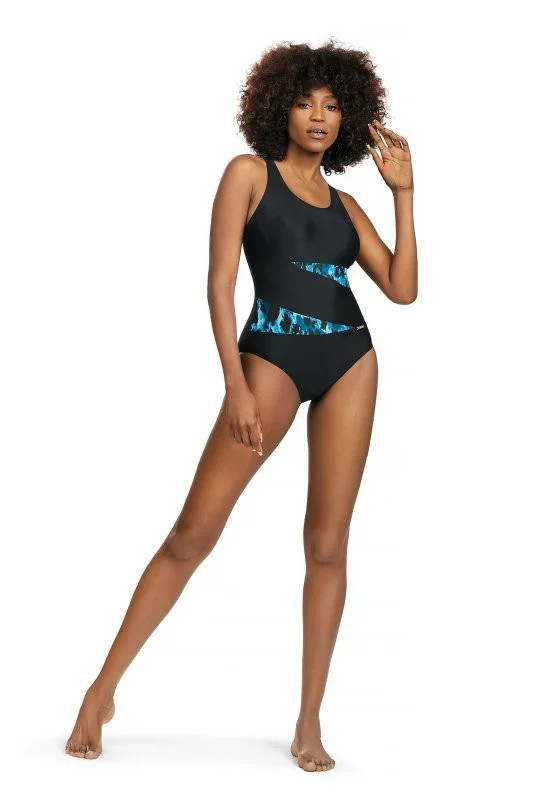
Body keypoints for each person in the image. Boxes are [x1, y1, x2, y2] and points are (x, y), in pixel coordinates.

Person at [65, 38, 417, 772]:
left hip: (351, 358)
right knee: (193, 532)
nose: (318, 116)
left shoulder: (349, 205)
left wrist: (404, 195)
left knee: (327, 545)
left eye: (332, 106)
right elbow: (219, 283)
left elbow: (402, 289)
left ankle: (308, 721)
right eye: (305, 102)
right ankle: (101, 691)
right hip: (269, 359)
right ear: (279, 107)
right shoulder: (248, 174)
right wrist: (234, 384)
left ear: (348, 118)